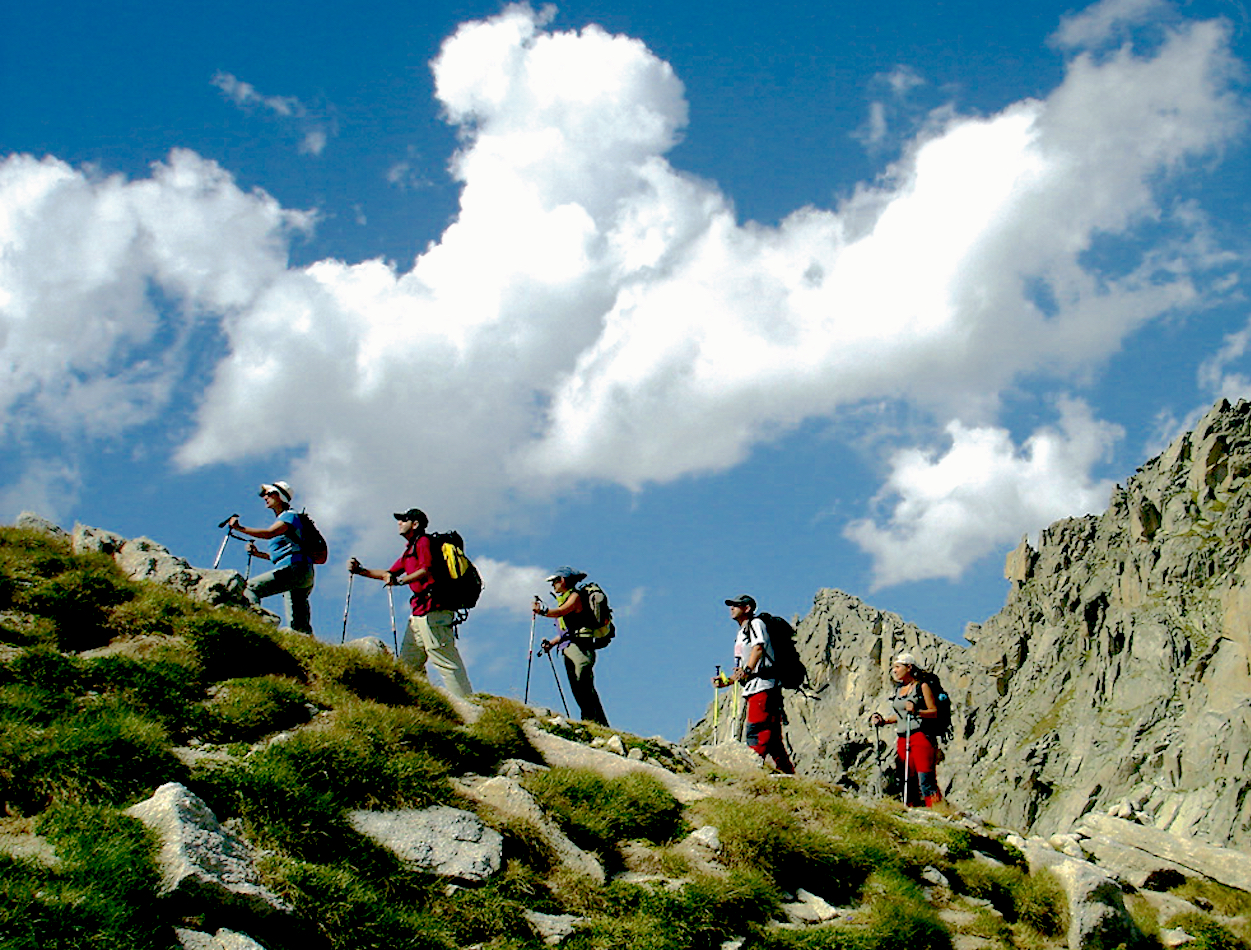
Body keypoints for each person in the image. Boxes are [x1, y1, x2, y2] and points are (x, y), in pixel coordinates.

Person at [347, 508, 473, 699]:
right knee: (408, 663)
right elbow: (389, 574)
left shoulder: (423, 542)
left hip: (434, 608)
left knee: (444, 659)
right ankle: (416, 701)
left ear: (415, 524)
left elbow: (426, 569)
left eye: (403, 519)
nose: (398, 523)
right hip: (421, 612)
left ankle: (469, 705)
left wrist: (401, 581)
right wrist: (361, 571)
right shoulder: (410, 550)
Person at [715, 594, 794, 773]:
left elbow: (759, 647)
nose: (732, 608)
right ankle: (789, 775)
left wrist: (748, 670)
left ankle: (752, 772)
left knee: (756, 730)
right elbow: (742, 669)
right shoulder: (742, 632)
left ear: (748, 608)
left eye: (736, 605)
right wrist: (727, 682)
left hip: (763, 686)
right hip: (758, 685)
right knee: (773, 739)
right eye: (731, 605)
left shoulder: (756, 624)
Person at [228, 481, 315, 635]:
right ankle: (308, 649)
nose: (265, 497)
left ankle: (253, 627)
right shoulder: (291, 518)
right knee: (299, 623)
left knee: (250, 588)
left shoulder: (290, 516)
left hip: (295, 570)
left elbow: (269, 533)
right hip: (302, 571)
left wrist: (239, 528)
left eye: (269, 493)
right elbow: (284, 555)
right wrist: (258, 554)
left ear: (280, 496)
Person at [532, 566, 609, 726]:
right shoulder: (567, 597)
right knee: (580, 687)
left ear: (563, 580)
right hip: (571, 646)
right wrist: (552, 643)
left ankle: (591, 721)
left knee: (582, 685)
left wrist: (542, 611)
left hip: (580, 647)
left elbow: (561, 612)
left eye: (555, 581)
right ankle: (597, 723)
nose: (553, 585)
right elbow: (567, 631)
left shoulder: (575, 597)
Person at [869, 652, 943, 807]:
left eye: (897, 667)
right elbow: (900, 715)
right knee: (906, 777)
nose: (894, 670)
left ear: (909, 667)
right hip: (903, 737)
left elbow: (934, 711)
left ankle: (939, 810)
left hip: (922, 736)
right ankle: (911, 809)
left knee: (925, 778)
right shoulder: (899, 690)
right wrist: (883, 721)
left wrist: (916, 711)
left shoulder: (922, 686)